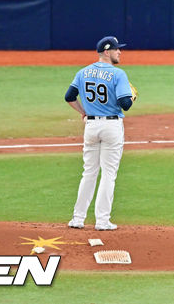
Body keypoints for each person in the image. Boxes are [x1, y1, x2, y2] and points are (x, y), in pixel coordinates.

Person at [65, 36, 136, 231]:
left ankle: (77, 219)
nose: (120, 52)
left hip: (91, 127)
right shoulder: (118, 74)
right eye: (116, 49)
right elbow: (125, 104)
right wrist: (133, 96)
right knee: (108, 174)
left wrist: (84, 112)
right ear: (107, 51)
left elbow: (69, 97)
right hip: (112, 127)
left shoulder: (82, 72)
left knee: (89, 173)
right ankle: (102, 221)